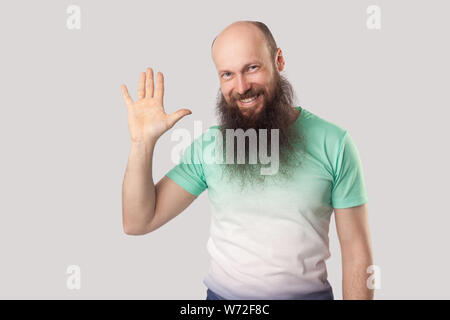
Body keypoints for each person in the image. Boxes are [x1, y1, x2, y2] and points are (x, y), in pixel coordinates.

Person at [120, 20, 374, 300]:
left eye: (252, 68)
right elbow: (138, 222)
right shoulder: (210, 147)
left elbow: (356, 254)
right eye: (227, 74)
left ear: (279, 60)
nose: (241, 87)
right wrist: (141, 144)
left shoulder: (334, 143)